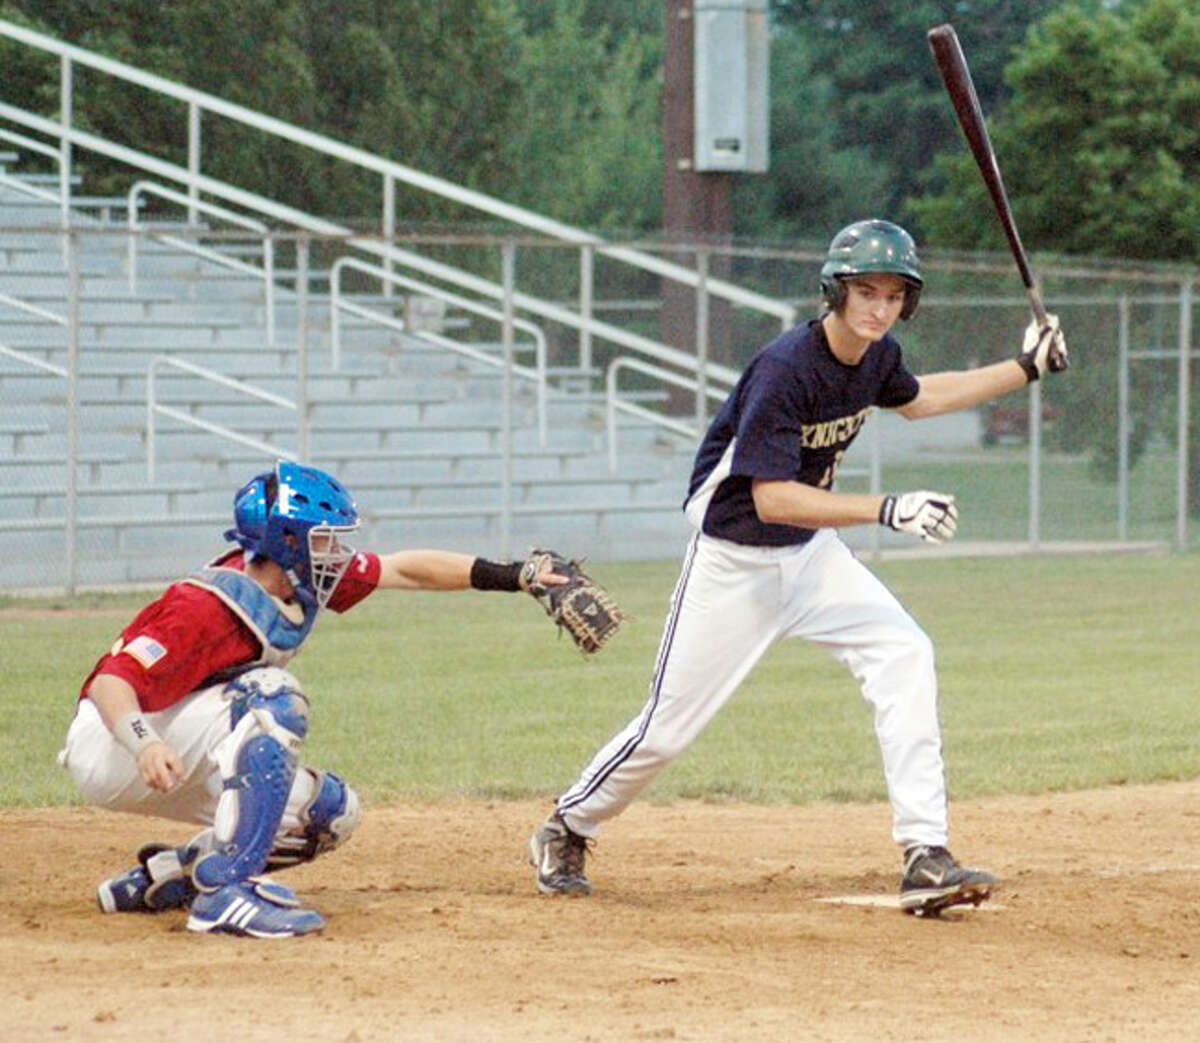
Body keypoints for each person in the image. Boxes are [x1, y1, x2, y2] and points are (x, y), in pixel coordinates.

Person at [529, 218, 1069, 917]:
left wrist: (1025, 367)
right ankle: (567, 825)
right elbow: (771, 497)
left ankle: (924, 852)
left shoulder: (877, 356)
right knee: (667, 728)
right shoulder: (786, 369)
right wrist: (886, 508)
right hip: (735, 563)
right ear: (835, 292)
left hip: (810, 557)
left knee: (904, 651)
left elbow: (921, 398)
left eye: (894, 294)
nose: (879, 307)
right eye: (865, 291)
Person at [60, 459, 567, 938]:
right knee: (272, 695)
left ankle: (178, 876)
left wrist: (515, 576)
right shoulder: (202, 606)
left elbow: (403, 570)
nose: (336, 552)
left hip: (176, 743)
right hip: (116, 743)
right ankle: (226, 894)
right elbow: (111, 682)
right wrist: (145, 745)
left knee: (327, 815)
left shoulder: (298, 581)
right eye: (323, 540)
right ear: (287, 543)